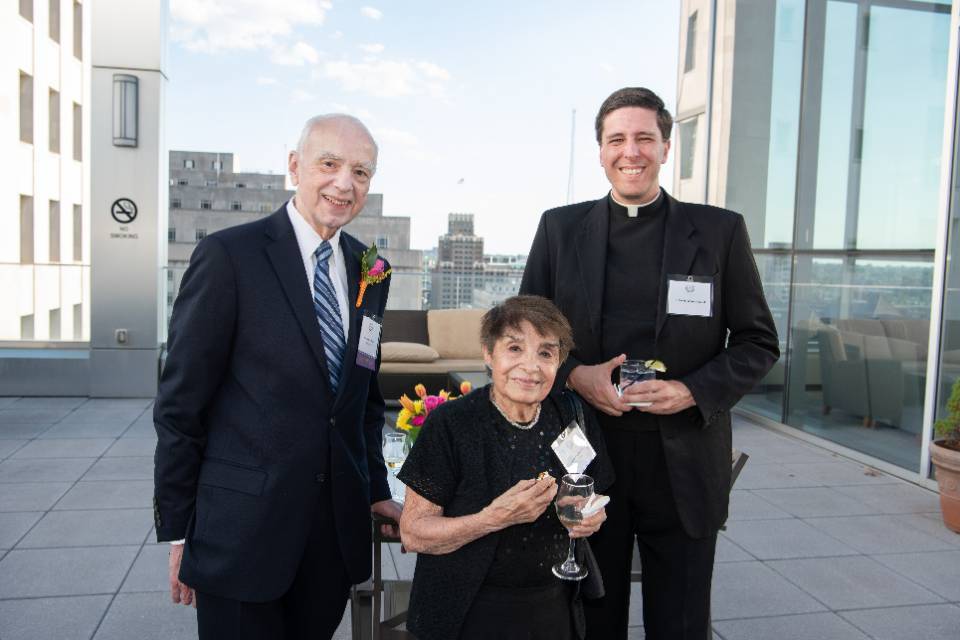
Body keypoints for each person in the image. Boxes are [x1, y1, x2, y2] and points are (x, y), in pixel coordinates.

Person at [519, 87, 779, 639]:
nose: (630, 151)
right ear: (601, 150)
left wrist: (691, 390)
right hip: (586, 452)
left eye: (643, 138)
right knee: (591, 615)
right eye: (617, 139)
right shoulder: (559, 230)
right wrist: (575, 375)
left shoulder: (718, 232)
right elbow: (525, 338)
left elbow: (758, 342)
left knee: (682, 622)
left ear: (666, 148)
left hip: (683, 457)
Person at [153, 114, 402, 640]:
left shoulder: (371, 271)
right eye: (329, 164)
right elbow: (181, 405)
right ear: (295, 167)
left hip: (331, 538)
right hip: (241, 535)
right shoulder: (229, 256)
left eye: (360, 172)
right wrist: (179, 531)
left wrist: (376, 488)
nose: (344, 184)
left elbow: (364, 397)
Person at [398, 295, 614, 640]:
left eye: (545, 352)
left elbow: (593, 492)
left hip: (553, 608)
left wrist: (592, 515)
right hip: (469, 611)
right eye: (515, 348)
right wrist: (495, 517)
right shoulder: (452, 424)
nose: (530, 366)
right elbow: (414, 532)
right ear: (489, 353)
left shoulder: (571, 415)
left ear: (559, 362)